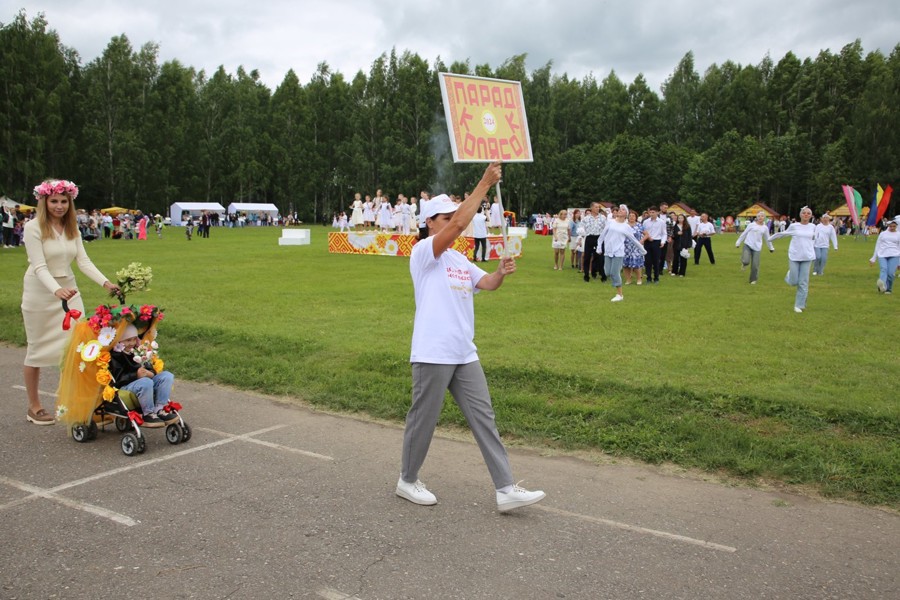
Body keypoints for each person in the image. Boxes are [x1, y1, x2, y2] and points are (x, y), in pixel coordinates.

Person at [397, 162, 545, 513]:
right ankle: (407, 479)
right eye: (444, 217)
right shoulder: (424, 253)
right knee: (424, 420)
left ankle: (506, 488)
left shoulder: (460, 260)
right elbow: (463, 223)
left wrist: (500, 272)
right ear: (430, 223)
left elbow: (488, 285)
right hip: (433, 352)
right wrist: (484, 183)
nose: (452, 221)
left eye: (452, 216)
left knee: (484, 418)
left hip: (464, 352)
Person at [21, 179, 120, 424]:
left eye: (64, 201)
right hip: (41, 292)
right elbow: (40, 266)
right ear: (44, 201)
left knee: (79, 347)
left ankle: (80, 403)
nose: (59, 206)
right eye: (54, 201)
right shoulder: (33, 227)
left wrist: (106, 283)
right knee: (37, 349)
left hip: (70, 291)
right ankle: (34, 406)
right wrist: (56, 290)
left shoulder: (72, 227)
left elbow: (83, 261)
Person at [108, 324, 178, 427]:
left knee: (167, 376)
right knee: (146, 382)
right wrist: (136, 375)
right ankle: (148, 413)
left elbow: (149, 366)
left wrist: (151, 373)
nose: (131, 343)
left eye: (133, 339)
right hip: (127, 385)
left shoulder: (138, 350)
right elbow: (118, 378)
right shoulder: (115, 356)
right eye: (127, 340)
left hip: (144, 381)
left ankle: (160, 408)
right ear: (119, 341)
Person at [769, 206, 816, 313]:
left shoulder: (813, 226)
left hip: (807, 257)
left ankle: (799, 305)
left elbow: (815, 238)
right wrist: (770, 239)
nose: (806, 215)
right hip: (795, 255)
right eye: (804, 213)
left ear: (811, 216)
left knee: (803, 282)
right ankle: (790, 274)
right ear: (800, 214)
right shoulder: (794, 226)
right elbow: (784, 234)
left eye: (808, 213)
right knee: (794, 281)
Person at [596, 205, 647, 302]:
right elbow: (602, 236)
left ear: (626, 214)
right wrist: (599, 246)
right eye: (620, 209)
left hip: (618, 252)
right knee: (607, 272)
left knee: (614, 273)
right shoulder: (610, 222)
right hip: (608, 251)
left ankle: (619, 294)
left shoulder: (626, 227)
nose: (620, 210)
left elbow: (634, 240)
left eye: (623, 210)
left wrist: (642, 250)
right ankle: (618, 289)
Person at [735, 211, 775, 284]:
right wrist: (738, 242)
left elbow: (767, 238)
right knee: (746, 261)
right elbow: (744, 233)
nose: (760, 217)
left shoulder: (765, 228)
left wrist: (771, 248)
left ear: (764, 218)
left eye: (762, 216)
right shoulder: (751, 225)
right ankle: (744, 264)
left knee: (755, 265)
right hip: (748, 244)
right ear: (756, 217)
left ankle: (753, 280)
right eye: (759, 216)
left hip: (757, 248)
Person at [870, 217, 900, 294]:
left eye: (894, 226)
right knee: (884, 269)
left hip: (894, 255)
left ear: (896, 226)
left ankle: (888, 289)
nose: (892, 228)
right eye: (891, 226)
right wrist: (873, 258)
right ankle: (882, 285)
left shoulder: (898, 234)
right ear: (888, 226)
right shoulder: (883, 234)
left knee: (890, 273)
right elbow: (877, 245)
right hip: (882, 255)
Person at [641, 206, 666, 283]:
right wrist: (647, 238)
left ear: (657, 213)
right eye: (650, 212)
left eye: (653, 212)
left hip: (656, 242)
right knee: (648, 261)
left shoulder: (661, 222)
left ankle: (656, 277)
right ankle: (648, 277)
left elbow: (664, 233)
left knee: (656, 261)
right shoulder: (646, 222)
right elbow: (643, 232)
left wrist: (662, 242)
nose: (651, 214)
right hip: (648, 242)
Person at [582, 202, 606, 282]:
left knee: (600, 257)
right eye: (596, 207)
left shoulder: (603, 217)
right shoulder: (586, 218)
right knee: (587, 257)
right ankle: (586, 275)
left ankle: (601, 274)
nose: (597, 209)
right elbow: (581, 228)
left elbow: (606, 228)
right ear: (591, 208)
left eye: (598, 207)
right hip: (589, 238)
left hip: (599, 238)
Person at [622, 210, 645, 285]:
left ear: (636, 217)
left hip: (636, 247)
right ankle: (628, 280)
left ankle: (639, 279)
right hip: (626, 247)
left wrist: (642, 240)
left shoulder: (639, 225)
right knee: (626, 264)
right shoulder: (624, 225)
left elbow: (647, 234)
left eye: (633, 216)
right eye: (630, 216)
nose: (631, 217)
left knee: (636, 264)